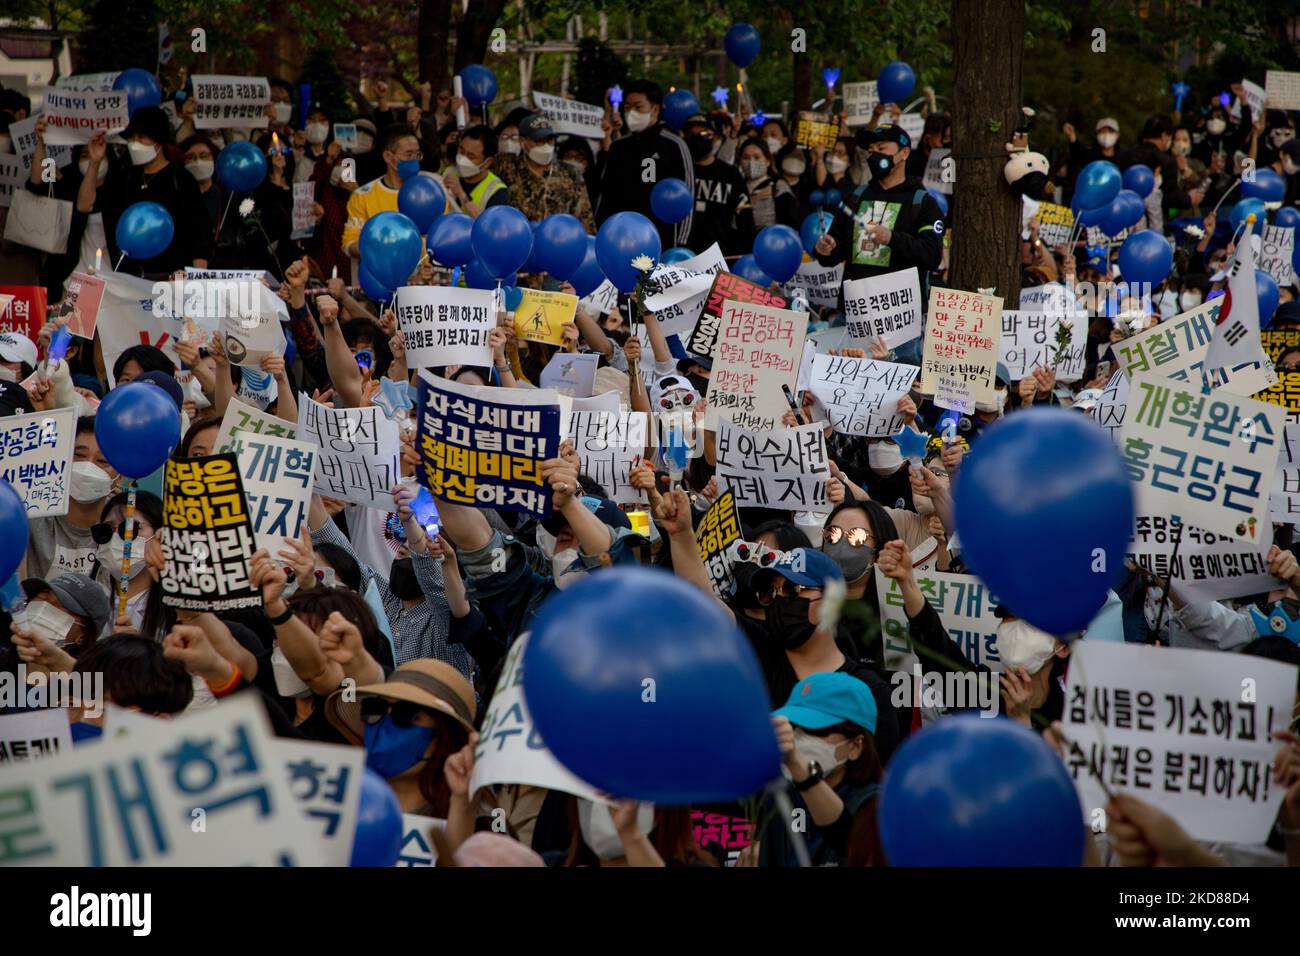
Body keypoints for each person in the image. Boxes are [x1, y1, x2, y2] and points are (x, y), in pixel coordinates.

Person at [755, 673, 886, 866]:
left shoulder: (877, 806)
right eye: (795, 726)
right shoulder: (779, 799)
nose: (799, 738)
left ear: (855, 746)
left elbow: (848, 844)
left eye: (817, 730)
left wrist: (801, 767)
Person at [813, 123, 945, 307]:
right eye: (870, 150)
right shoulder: (855, 198)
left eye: (881, 148)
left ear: (904, 153)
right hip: (855, 316)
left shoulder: (922, 203)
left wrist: (892, 238)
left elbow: (931, 256)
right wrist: (824, 249)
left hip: (900, 321)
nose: (874, 155)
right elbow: (835, 252)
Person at [325, 658, 476, 816]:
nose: (385, 724)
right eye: (375, 709)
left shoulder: (464, 821)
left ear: (444, 736)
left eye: (405, 713)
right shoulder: (336, 806)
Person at [78, 106, 213, 275]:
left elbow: (198, 233)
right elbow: (85, 205)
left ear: (159, 140)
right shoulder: (125, 178)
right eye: (132, 138)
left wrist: (197, 277)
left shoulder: (181, 179)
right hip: (130, 280)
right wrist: (95, 162)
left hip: (172, 279)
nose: (135, 144)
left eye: (141, 138)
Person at [594, 79, 694, 250]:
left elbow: (687, 197)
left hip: (662, 241)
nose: (631, 112)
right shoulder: (618, 147)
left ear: (655, 109)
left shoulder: (674, 145)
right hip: (622, 242)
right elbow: (604, 196)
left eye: (638, 107)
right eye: (627, 107)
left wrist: (679, 245)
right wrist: (600, 235)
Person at [342, 123, 425, 268]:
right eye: (408, 154)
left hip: (424, 283)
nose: (414, 159)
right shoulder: (363, 196)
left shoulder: (430, 193)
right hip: (380, 281)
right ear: (388, 156)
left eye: (417, 154)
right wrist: (382, 250)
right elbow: (349, 244)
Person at [493, 113, 595, 230]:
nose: (545, 146)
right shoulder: (507, 167)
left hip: (560, 243)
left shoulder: (571, 174)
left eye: (549, 140)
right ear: (522, 141)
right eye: (539, 141)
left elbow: (585, 220)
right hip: (520, 243)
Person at [682, 113, 748, 254]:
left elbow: (744, 219)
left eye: (705, 133)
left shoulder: (731, 174)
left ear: (717, 138)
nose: (697, 138)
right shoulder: (678, 171)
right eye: (691, 134)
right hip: (682, 255)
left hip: (721, 256)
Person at [442, 123, 510, 219]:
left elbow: (489, 227)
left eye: (471, 156)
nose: (462, 159)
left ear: (487, 162)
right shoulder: (449, 172)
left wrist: (462, 195)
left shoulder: (497, 191)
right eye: (461, 151)